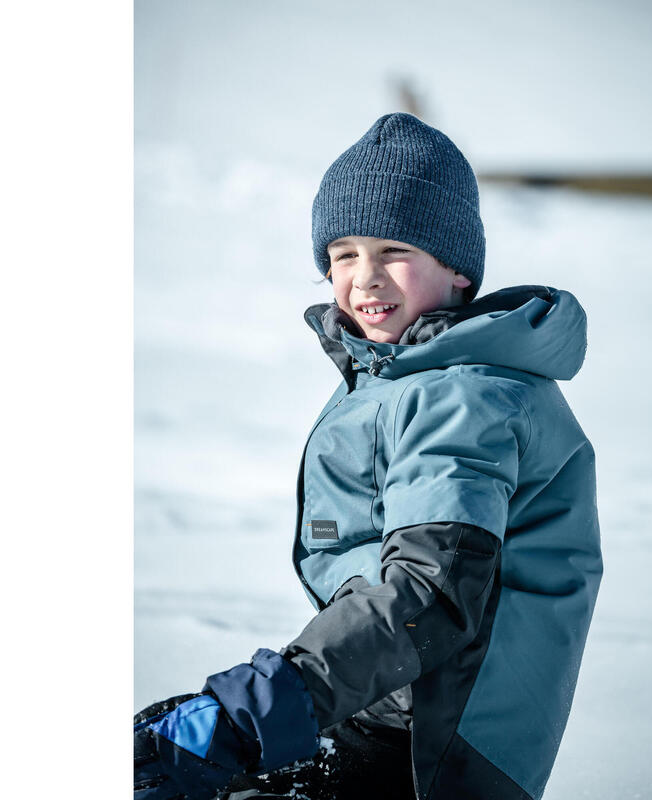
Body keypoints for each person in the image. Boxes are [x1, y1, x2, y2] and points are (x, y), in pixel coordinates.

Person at [134, 112, 603, 800]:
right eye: (344, 254)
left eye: (394, 250)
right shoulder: (406, 380)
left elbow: (427, 596)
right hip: (386, 713)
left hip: (437, 753)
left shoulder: (465, 398)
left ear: (458, 270)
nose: (365, 277)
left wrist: (254, 711)